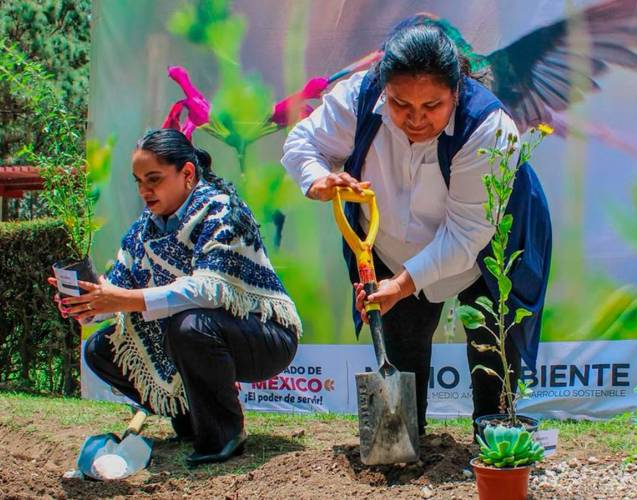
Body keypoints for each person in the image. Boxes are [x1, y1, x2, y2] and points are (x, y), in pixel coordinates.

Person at [282, 23, 552, 435]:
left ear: (456, 91)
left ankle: (493, 438)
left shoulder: (488, 127)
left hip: (487, 244)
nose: (415, 119)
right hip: (392, 246)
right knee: (402, 346)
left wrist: (404, 283)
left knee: (492, 344)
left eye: (432, 105)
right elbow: (303, 142)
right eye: (400, 103)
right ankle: (406, 440)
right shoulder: (358, 97)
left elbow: (465, 236)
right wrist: (317, 178)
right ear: (383, 87)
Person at [50, 128, 301, 466]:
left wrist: (124, 298)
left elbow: (207, 290)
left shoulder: (222, 211)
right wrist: (88, 304)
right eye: (139, 181)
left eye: (153, 179)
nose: (144, 190)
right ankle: (191, 416)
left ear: (187, 173)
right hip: (195, 333)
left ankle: (223, 434)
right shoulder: (144, 230)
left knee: (190, 325)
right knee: (100, 350)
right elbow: (118, 290)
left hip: (264, 337)